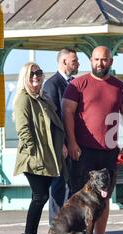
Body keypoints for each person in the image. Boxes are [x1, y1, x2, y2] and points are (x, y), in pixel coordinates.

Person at [62, 46, 123, 234]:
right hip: (83, 151)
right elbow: (67, 113)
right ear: (90, 60)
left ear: (110, 62)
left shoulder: (119, 87)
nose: (100, 63)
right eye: (96, 59)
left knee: (104, 197)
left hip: (109, 151)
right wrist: (72, 143)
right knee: (78, 197)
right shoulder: (78, 84)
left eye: (104, 60)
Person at [13, 62, 67, 234]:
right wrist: (34, 152)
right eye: (31, 74)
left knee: (41, 197)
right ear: (25, 78)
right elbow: (23, 129)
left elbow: (55, 124)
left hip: (48, 155)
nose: (36, 77)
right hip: (33, 157)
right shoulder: (23, 99)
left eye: (39, 73)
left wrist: (62, 144)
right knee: (39, 197)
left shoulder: (43, 98)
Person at [43, 48, 80, 224]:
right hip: (61, 148)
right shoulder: (52, 85)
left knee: (72, 188)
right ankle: (56, 230)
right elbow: (52, 118)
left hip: (75, 146)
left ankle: (70, 229)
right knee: (59, 188)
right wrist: (61, 145)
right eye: (75, 61)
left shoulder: (74, 84)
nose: (78, 63)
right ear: (64, 62)